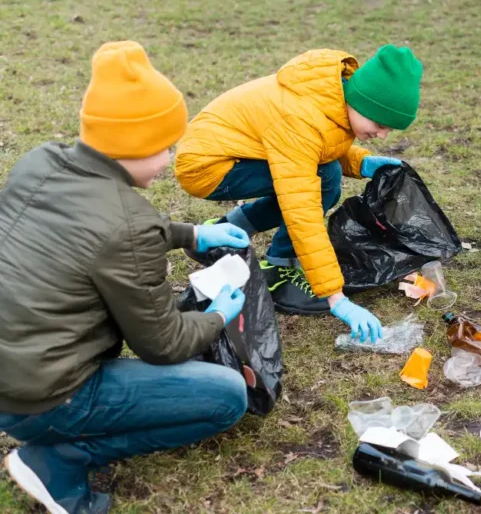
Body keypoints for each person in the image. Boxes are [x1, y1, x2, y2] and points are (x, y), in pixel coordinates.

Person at [0, 41, 251, 514]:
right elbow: (164, 345)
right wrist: (218, 315)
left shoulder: (41, 161)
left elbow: (87, 232)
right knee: (228, 397)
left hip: (10, 373)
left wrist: (190, 234)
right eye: (166, 146)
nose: (169, 158)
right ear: (135, 145)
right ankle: (60, 459)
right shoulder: (128, 223)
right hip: (46, 397)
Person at [175, 45, 423, 342]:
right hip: (207, 166)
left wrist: (360, 161)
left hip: (236, 151)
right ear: (363, 102)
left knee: (325, 174)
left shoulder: (334, 98)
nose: (383, 135)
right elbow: (300, 208)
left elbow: (318, 148)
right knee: (319, 182)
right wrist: (336, 298)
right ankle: (279, 269)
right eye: (380, 124)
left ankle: (222, 231)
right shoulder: (301, 117)